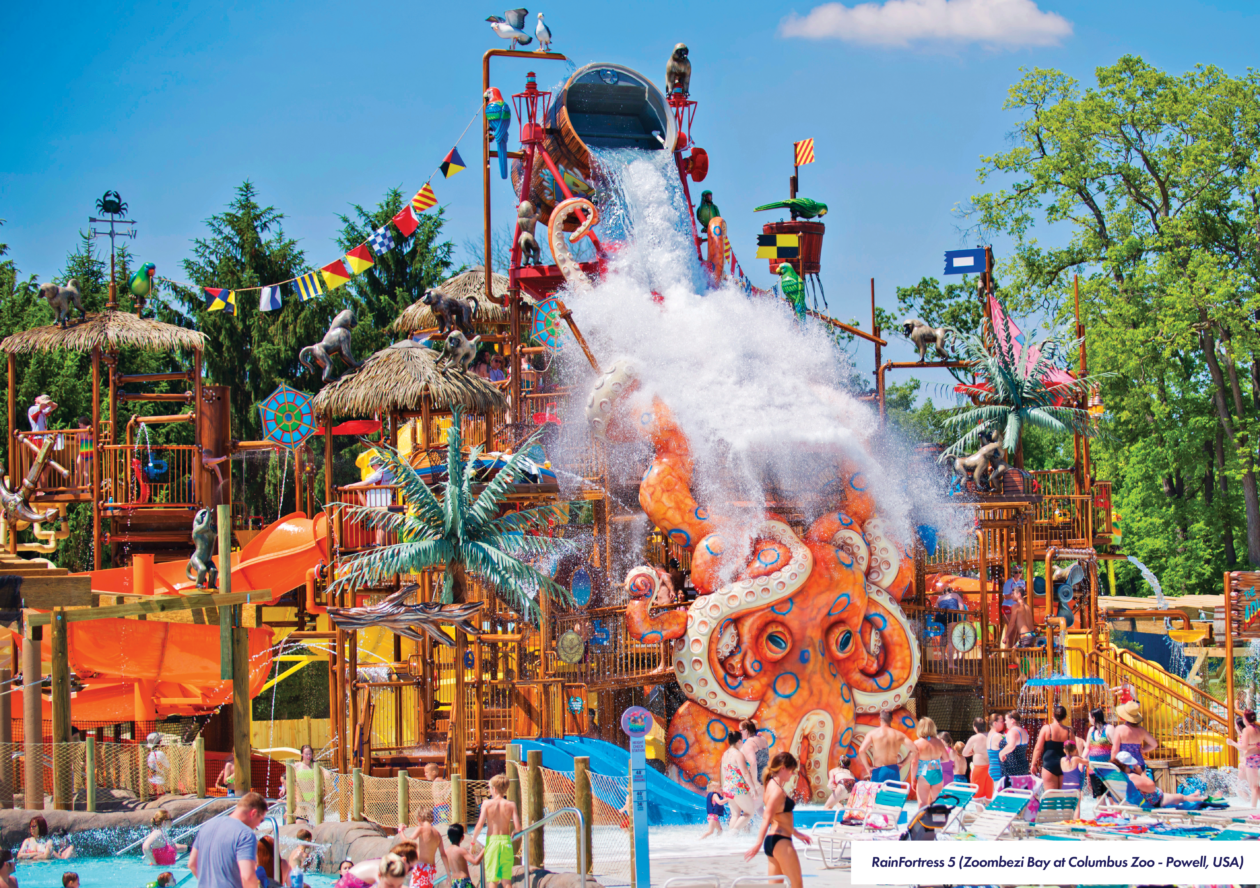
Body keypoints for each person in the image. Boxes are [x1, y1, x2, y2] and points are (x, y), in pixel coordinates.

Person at [743, 752, 811, 888]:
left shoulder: (771, 785)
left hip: (773, 841)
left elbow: (780, 817)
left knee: (776, 886)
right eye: (792, 771)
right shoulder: (777, 791)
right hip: (781, 842)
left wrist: (797, 834)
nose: (793, 775)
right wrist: (757, 844)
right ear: (783, 768)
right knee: (797, 884)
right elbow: (767, 817)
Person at [189, 791, 268, 888]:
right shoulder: (245, 834)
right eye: (261, 820)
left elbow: (192, 864)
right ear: (253, 813)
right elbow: (247, 876)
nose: (259, 824)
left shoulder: (206, 827)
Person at [469, 773, 519, 888]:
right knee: (507, 880)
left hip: (492, 842)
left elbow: (479, 825)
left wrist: (473, 842)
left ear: (494, 789)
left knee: (493, 880)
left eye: (489, 788)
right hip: (506, 842)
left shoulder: (487, 804)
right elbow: (518, 828)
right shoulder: (511, 804)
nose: (489, 790)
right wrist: (514, 832)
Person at [1114, 751, 1202, 809]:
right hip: (1156, 801)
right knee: (1181, 797)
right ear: (1127, 765)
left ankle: (1193, 795)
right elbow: (1151, 787)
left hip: (1146, 801)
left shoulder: (1118, 777)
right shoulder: (1131, 777)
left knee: (1180, 797)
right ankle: (1202, 799)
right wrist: (1141, 773)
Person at [399, 809, 448, 888]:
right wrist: (448, 874)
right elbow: (443, 854)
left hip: (421, 868)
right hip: (432, 869)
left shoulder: (421, 829)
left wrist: (400, 830)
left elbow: (406, 842)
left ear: (419, 819)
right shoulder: (438, 834)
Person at [857, 709, 909, 784]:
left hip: (879, 770)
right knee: (893, 795)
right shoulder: (899, 734)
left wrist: (868, 767)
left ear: (879, 719)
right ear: (892, 719)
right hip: (893, 770)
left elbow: (862, 751)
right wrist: (903, 763)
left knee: (878, 795)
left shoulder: (873, 733)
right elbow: (915, 750)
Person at [720, 731, 757, 831]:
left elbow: (724, 773)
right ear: (739, 741)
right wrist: (753, 788)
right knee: (749, 813)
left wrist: (724, 788)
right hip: (738, 787)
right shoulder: (738, 754)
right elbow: (745, 773)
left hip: (728, 787)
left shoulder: (725, 754)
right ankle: (733, 834)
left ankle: (731, 838)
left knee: (735, 815)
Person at [1032, 704, 1073, 790]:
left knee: (1051, 798)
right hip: (1064, 765)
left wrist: (1033, 764)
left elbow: (1038, 748)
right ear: (1065, 718)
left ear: (1053, 715)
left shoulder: (1047, 729)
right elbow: (1073, 751)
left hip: (1049, 765)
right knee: (1063, 799)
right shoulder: (1069, 732)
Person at [1111, 701, 1157, 774]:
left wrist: (1113, 764)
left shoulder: (1119, 729)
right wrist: (1143, 750)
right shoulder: (1142, 730)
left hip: (1124, 765)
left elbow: (1115, 749)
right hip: (1139, 764)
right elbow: (1154, 744)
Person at [1226, 709, 1260, 808]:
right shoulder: (1257, 728)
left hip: (1251, 759)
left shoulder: (1247, 730)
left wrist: (1232, 743)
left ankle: (1253, 809)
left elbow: (1244, 746)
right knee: (1256, 786)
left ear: (1245, 719)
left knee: (1253, 787)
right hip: (1258, 757)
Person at [910, 717, 949, 805]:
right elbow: (946, 758)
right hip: (937, 773)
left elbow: (914, 763)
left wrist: (913, 779)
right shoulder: (939, 742)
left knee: (922, 804)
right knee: (938, 803)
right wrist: (936, 760)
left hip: (923, 775)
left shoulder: (917, 743)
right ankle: (938, 818)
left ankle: (922, 819)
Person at [1084, 707, 1114, 798]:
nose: (1088, 719)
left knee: (1112, 797)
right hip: (1094, 770)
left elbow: (1116, 747)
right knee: (1099, 797)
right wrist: (1081, 762)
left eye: (1089, 717)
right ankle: (1102, 813)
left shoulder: (1109, 729)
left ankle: (1115, 813)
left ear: (1094, 718)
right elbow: (1087, 748)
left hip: (1108, 770)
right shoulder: (1091, 730)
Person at [443, 824, 482, 888]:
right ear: (463, 837)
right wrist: (484, 849)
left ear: (448, 837)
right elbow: (475, 862)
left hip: (454, 883)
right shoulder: (461, 851)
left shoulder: (446, 852)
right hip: (464, 882)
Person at [962, 717, 992, 798]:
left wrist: (973, 752)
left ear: (975, 727)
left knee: (977, 796)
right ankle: (987, 810)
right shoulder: (990, 736)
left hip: (979, 769)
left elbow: (964, 753)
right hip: (991, 768)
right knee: (989, 796)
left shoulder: (974, 738)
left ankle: (979, 811)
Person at [999, 711, 1030, 781]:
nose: (1005, 722)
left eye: (1006, 720)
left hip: (1012, 768)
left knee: (1010, 790)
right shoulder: (1024, 732)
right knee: (1021, 790)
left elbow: (1011, 746)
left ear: (1012, 721)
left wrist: (1001, 753)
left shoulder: (1012, 732)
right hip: (1023, 766)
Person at [740, 718, 770, 784]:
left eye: (741, 730)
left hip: (758, 779)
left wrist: (755, 782)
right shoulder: (762, 738)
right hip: (767, 774)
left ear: (747, 731)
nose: (740, 733)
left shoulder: (748, 744)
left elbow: (753, 763)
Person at [985, 712, 1008, 791]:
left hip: (993, 768)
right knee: (1000, 797)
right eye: (1002, 721)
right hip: (998, 769)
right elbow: (1009, 746)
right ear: (995, 723)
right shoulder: (997, 736)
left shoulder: (990, 735)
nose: (1004, 723)